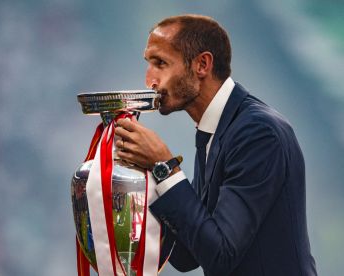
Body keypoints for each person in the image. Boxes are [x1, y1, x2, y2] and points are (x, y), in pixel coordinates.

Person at [114, 14, 317, 276]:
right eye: (149, 64)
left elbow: (221, 255)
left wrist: (163, 167)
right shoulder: (216, 128)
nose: (150, 81)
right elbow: (188, 256)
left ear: (202, 64)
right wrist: (143, 179)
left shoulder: (258, 133)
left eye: (161, 63)